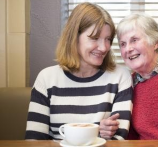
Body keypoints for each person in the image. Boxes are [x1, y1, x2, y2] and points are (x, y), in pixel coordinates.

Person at [25, 2, 133, 140]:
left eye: (108, 39)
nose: (104, 47)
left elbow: (119, 139)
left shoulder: (120, 77)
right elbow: (34, 140)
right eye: (94, 38)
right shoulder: (46, 78)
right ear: (74, 37)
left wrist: (107, 133)